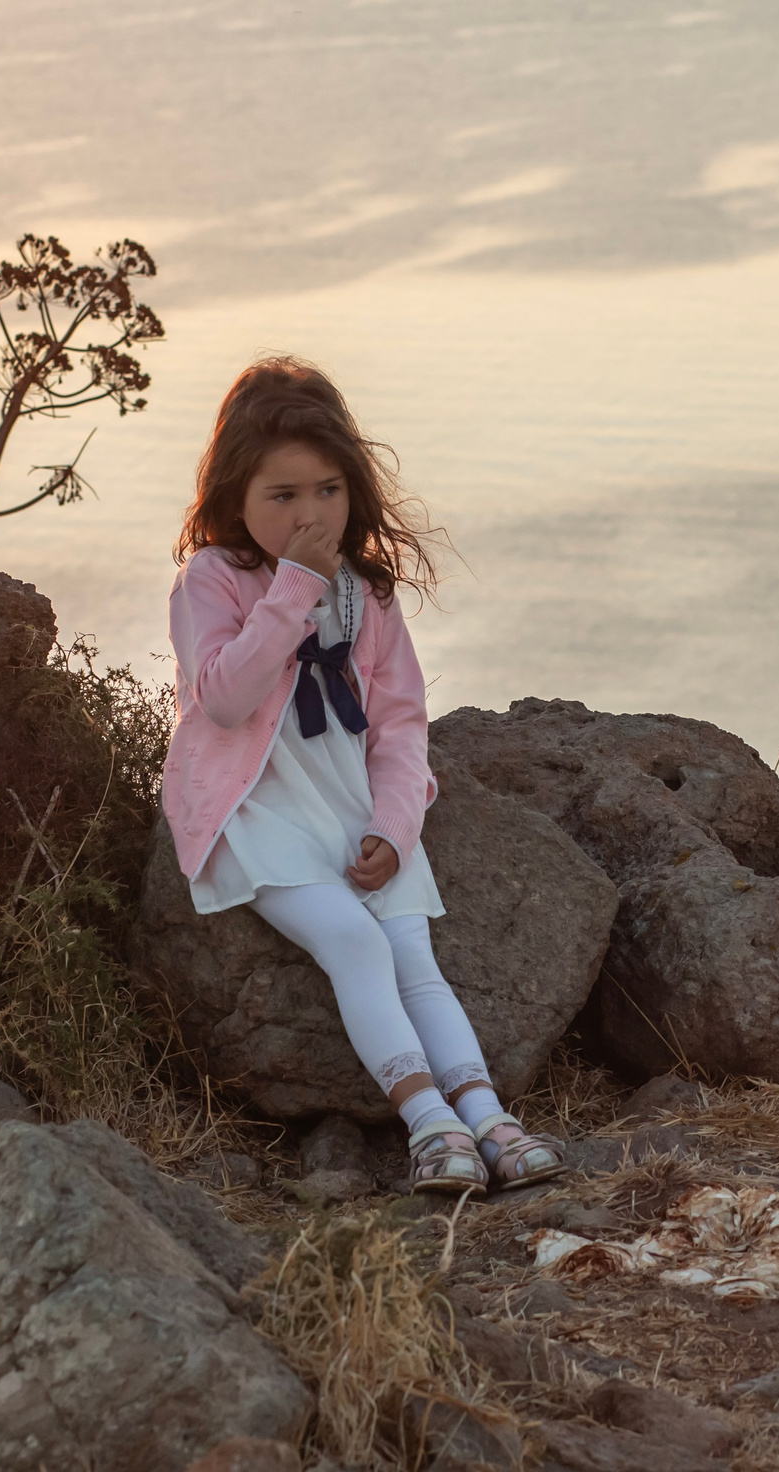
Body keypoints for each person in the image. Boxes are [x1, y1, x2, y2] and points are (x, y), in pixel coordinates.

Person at [159, 357, 566, 1196]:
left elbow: (400, 722)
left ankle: (489, 1117)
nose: (309, 513)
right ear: (234, 497)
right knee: (351, 940)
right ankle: (430, 1124)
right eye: (282, 497)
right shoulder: (214, 579)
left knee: (412, 953)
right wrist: (294, 587)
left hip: (348, 802)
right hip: (258, 807)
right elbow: (226, 700)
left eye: (328, 491)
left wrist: (393, 824)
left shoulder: (366, 596)